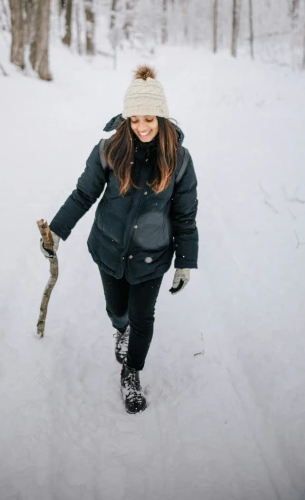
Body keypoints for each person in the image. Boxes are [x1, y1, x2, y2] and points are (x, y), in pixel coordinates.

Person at [41, 65, 198, 414]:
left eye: (150, 120)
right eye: (135, 120)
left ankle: (132, 372)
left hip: (152, 256)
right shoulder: (108, 151)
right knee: (117, 310)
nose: (142, 127)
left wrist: (185, 262)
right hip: (109, 249)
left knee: (144, 318)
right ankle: (119, 328)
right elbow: (84, 195)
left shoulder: (180, 160)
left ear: (162, 118)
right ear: (126, 119)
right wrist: (57, 230)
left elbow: (185, 216)